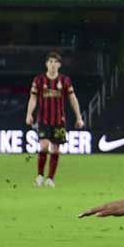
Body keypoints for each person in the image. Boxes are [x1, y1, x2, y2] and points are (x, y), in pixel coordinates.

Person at [25, 52, 84, 187]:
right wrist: (29, 114)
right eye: (50, 62)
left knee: (56, 150)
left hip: (59, 121)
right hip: (43, 120)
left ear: (59, 65)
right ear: (46, 64)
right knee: (44, 146)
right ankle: (40, 176)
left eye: (55, 62)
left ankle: (50, 178)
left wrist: (79, 117)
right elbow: (33, 98)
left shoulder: (65, 81)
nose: (52, 65)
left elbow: (72, 98)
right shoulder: (39, 80)